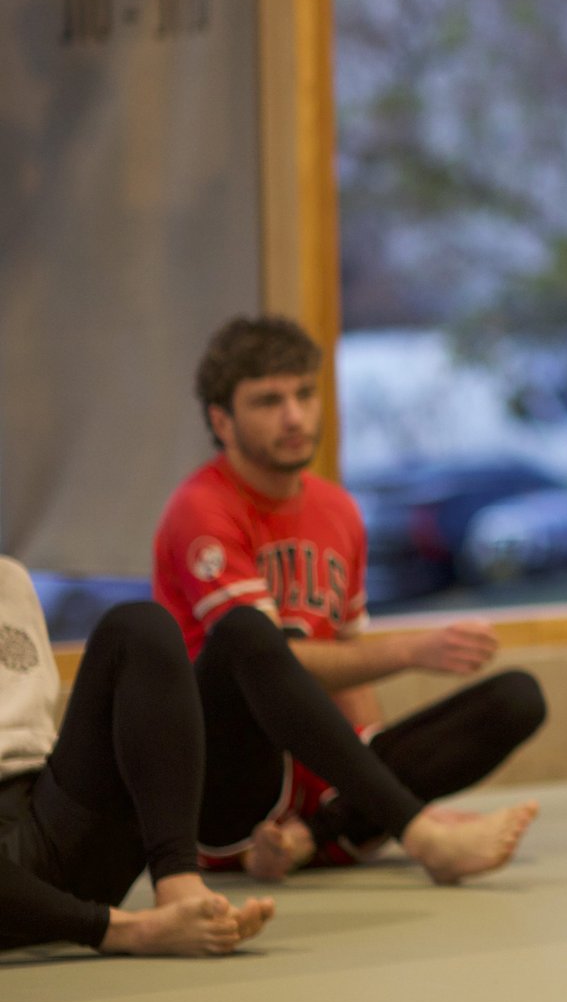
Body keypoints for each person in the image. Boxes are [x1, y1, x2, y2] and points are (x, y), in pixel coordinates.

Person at [153, 316, 543, 884]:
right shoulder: (201, 509)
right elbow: (274, 660)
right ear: (223, 421)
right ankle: (418, 834)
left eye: (304, 395)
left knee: (517, 698)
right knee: (248, 635)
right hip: (222, 779)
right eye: (268, 401)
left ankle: (318, 837)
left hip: (312, 784)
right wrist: (411, 651)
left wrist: (380, 774)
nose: (294, 416)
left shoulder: (337, 509)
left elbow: (346, 662)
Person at [2, 558, 276, 955]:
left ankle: (177, 881)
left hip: (49, 819)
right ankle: (127, 930)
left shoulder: (9, 578)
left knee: (139, 625)